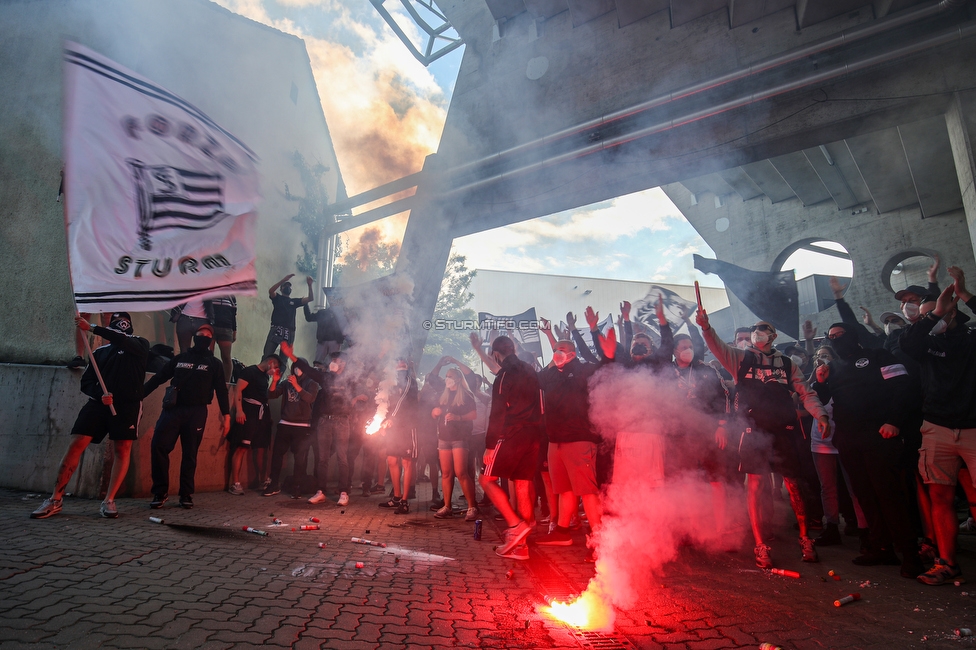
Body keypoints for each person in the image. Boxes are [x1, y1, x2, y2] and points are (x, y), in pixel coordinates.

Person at [697, 311, 830, 569]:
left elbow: (806, 392)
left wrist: (820, 414)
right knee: (756, 486)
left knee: (793, 484)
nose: (757, 331)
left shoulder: (787, 363)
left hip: (783, 430)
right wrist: (706, 328)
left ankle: (805, 538)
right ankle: (760, 544)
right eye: (755, 329)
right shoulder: (740, 357)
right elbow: (718, 346)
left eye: (762, 328)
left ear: (773, 335)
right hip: (752, 431)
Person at [812, 322, 923, 578]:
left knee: (889, 494)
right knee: (864, 494)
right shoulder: (835, 367)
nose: (837, 340)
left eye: (841, 335)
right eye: (831, 337)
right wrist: (820, 382)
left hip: (879, 435)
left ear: (853, 335)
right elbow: (826, 399)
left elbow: (904, 389)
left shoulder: (878, 356)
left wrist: (894, 421)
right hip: (849, 439)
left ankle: (910, 554)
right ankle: (881, 547)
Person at [31, 313, 150, 519]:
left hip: (128, 406)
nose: (120, 329)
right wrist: (99, 394)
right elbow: (87, 382)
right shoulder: (100, 352)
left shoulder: (139, 345)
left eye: (124, 325)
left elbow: (122, 339)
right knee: (76, 444)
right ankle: (55, 498)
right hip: (98, 405)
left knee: (122, 448)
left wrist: (92, 327)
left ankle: (109, 500)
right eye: (116, 324)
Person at [902, 267, 976, 585]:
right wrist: (932, 317)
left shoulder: (971, 339)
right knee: (940, 497)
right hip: (936, 427)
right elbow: (908, 345)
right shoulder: (926, 343)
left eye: (941, 311)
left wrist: (964, 295)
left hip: (974, 426)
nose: (936, 316)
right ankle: (947, 563)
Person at [533, 336, 606, 557]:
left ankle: (599, 541)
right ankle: (562, 532)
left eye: (562, 350)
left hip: (580, 438)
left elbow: (606, 365)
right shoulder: (550, 374)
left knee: (586, 490)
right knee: (565, 489)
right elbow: (532, 380)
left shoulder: (583, 370)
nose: (557, 353)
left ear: (573, 354)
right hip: (555, 440)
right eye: (555, 350)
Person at [144, 323, 230, 509]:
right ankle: (160, 491)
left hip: (197, 412)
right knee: (159, 446)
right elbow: (159, 377)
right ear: (194, 336)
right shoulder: (180, 358)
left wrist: (227, 415)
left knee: (190, 453)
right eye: (200, 333)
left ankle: (186, 494)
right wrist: (138, 396)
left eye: (208, 335)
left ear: (211, 341)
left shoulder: (215, 364)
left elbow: (222, 391)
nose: (203, 336)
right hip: (173, 410)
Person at [479, 336, 546, 560]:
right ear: (513, 349)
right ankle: (521, 547)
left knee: (486, 480)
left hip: (512, 433)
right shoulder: (530, 369)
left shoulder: (503, 375)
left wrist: (490, 445)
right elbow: (541, 403)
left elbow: (497, 412)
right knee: (522, 485)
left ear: (496, 354)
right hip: (534, 434)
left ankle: (515, 525)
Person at [262, 356, 321, 498]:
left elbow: (310, 398)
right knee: (277, 455)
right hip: (285, 424)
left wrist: (296, 385)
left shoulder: (312, 383)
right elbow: (271, 395)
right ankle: (273, 484)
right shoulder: (287, 382)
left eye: (300, 366)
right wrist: (275, 382)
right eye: (295, 366)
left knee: (300, 458)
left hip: (303, 426)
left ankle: (297, 487)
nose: (297, 369)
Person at [225, 353, 281, 495]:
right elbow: (238, 390)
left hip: (262, 414)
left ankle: (263, 479)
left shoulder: (265, 376)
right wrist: (239, 411)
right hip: (248, 412)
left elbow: (265, 395)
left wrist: (267, 417)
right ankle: (235, 483)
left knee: (261, 447)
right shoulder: (249, 371)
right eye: (276, 367)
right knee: (242, 447)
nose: (275, 370)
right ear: (270, 362)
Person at [431, 367, 480, 521]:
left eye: (450, 376)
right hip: (444, 437)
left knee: (461, 472)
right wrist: (435, 412)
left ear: (458, 379)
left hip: (460, 437)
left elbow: (473, 414)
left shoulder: (466, 395)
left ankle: (472, 507)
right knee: (446, 473)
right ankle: (447, 506)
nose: (447, 379)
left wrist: (458, 417)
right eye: (446, 376)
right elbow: (434, 413)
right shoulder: (443, 395)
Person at [379, 359, 420, 514]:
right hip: (393, 428)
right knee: (391, 460)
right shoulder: (391, 382)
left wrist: (391, 419)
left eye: (402, 362)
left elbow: (401, 401)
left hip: (408, 427)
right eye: (397, 362)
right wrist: (382, 420)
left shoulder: (411, 381)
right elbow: (385, 402)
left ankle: (404, 500)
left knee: (407, 462)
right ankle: (396, 497)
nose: (399, 365)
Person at [264, 274, 313, 357]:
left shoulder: (294, 301)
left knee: (284, 358)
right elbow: (271, 291)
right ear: (281, 288)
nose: (288, 287)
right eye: (285, 286)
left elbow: (310, 298)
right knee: (267, 355)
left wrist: (310, 285)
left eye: (289, 286)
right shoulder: (277, 298)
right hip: (276, 329)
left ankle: (281, 370)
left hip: (289, 331)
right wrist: (283, 280)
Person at [304, 300, 345, 365]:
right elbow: (309, 318)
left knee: (333, 363)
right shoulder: (322, 313)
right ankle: (316, 374)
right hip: (324, 341)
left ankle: (330, 374)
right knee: (319, 362)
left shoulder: (341, 313)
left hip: (333, 341)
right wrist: (305, 305)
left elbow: (346, 327)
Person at [211, 295, 237, 381]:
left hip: (226, 327)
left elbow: (233, 315)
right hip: (211, 326)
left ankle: (226, 382)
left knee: (226, 357)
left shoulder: (231, 296)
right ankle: (207, 379)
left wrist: (234, 331)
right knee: (208, 355)